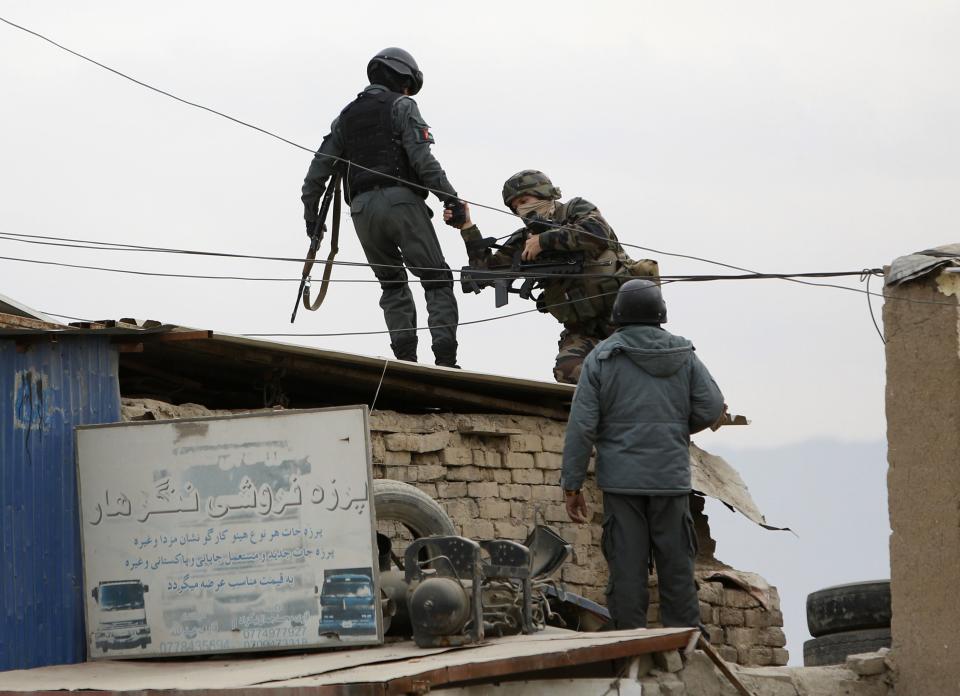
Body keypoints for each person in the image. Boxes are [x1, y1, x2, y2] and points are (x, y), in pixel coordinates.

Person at [560, 279, 725, 630]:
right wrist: (676, 429)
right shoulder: (684, 355)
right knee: (678, 571)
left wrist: (572, 486)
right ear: (660, 314)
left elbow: (581, 426)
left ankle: (632, 658)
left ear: (618, 315)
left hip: (623, 486)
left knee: (627, 573)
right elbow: (711, 407)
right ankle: (686, 657)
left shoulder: (601, 358)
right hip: (671, 481)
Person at [301, 47, 466, 367]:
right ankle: (445, 361)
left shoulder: (345, 117)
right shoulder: (403, 106)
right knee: (436, 279)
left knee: (392, 284)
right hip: (401, 203)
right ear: (402, 81)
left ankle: (405, 360)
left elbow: (315, 173)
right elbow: (423, 162)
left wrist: (311, 217)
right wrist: (451, 199)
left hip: (361, 212)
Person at [445, 170, 655, 383]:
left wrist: (544, 241)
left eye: (525, 200)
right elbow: (487, 271)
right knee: (568, 371)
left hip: (624, 318)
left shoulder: (576, 209)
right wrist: (467, 227)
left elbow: (596, 232)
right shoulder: (524, 241)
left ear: (544, 194)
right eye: (515, 206)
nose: (521, 209)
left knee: (646, 368)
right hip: (583, 328)